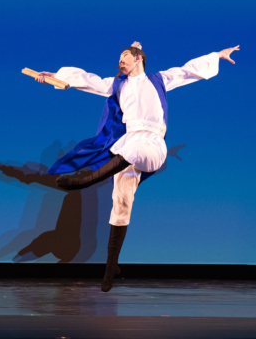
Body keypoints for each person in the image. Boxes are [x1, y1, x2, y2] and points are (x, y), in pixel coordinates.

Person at [35, 43, 239, 291]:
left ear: (138, 59)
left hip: (153, 144)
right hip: (129, 141)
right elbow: (88, 81)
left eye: (125, 56)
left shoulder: (159, 79)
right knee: (121, 201)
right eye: (119, 57)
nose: (120, 60)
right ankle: (111, 266)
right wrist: (55, 76)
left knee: (134, 151)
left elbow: (189, 71)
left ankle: (84, 181)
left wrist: (217, 55)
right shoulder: (117, 84)